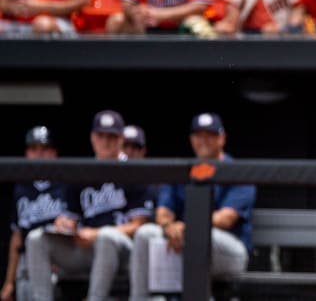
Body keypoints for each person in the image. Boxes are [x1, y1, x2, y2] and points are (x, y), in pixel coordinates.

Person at [26, 110, 155, 301]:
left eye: (111, 136)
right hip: (87, 248)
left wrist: (97, 233)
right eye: (100, 135)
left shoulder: (133, 170)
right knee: (36, 238)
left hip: (125, 252)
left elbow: (139, 224)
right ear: (92, 138)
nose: (105, 141)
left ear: (121, 139)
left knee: (106, 236)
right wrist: (64, 224)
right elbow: (71, 217)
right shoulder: (82, 172)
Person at [130, 112, 256, 299]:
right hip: (183, 241)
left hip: (230, 251)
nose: (204, 140)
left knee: (196, 236)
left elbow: (226, 218)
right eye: (199, 135)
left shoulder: (238, 171)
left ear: (222, 138)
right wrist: (168, 226)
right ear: (192, 139)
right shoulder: (184, 170)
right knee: (145, 233)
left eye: (210, 135)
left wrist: (186, 228)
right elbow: (163, 212)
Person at [1, 126, 70, 301]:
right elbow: (16, 237)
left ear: (54, 153)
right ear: (27, 154)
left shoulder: (67, 184)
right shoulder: (21, 189)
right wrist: (9, 282)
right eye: (34, 149)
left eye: (44, 149)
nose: (39, 154)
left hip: (58, 260)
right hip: (26, 263)